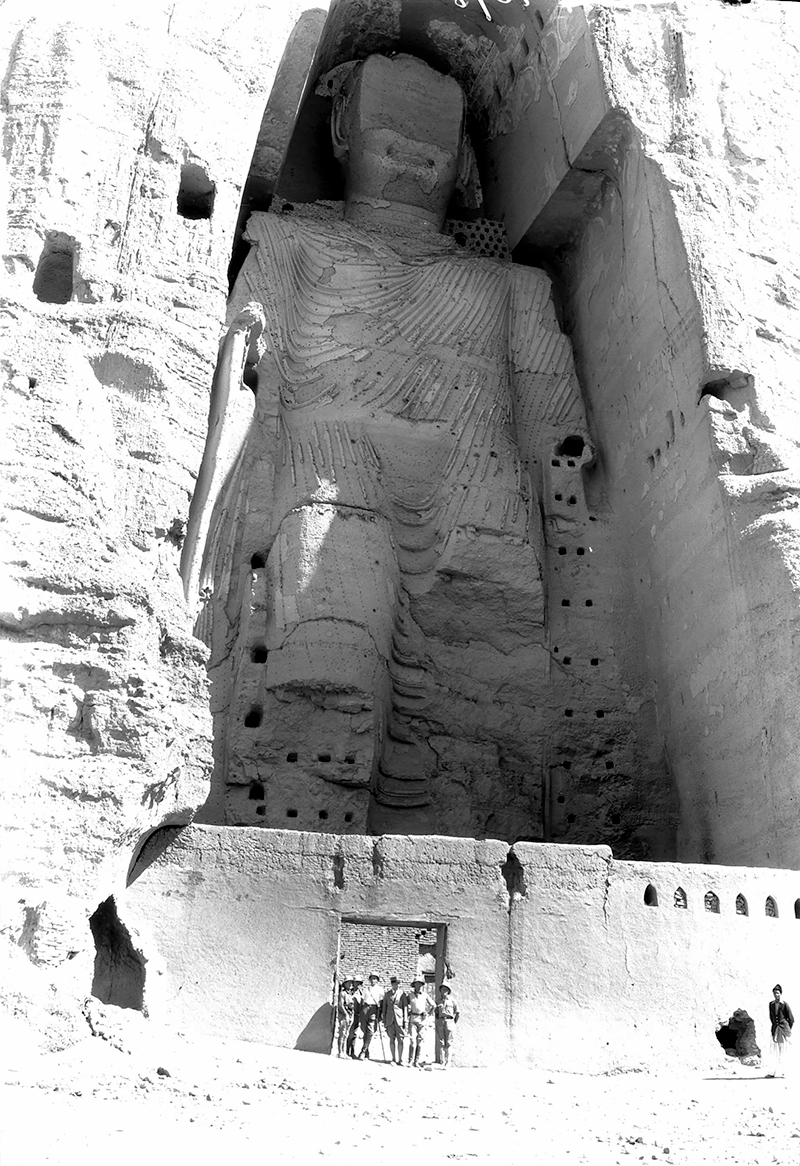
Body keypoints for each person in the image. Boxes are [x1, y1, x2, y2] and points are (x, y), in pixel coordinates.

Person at [186, 53, 588, 835]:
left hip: (477, 491)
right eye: (390, 133)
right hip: (331, 470)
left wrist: (570, 510)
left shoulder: (513, 286)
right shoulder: (294, 244)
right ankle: (293, 848)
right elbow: (242, 372)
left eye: (433, 140)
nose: (411, 155)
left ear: (465, 156)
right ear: (341, 132)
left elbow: (552, 420)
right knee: (326, 674)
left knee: (484, 726)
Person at [767, 983, 794, 1077]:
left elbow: (791, 1019)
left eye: (777, 993)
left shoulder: (785, 1004)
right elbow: (771, 1017)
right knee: (774, 1051)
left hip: (783, 1031)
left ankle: (784, 1072)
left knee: (784, 1051)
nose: (776, 995)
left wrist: (786, 1029)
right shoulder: (771, 1004)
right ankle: (771, 1072)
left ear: (781, 994)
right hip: (775, 1031)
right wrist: (775, 1026)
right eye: (774, 993)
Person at [381, 975, 409, 1065]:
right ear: (391, 984)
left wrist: (405, 1020)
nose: (395, 985)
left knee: (401, 1039)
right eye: (393, 984)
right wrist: (384, 1020)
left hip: (399, 1019)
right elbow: (384, 1008)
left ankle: (400, 1059)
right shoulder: (387, 994)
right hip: (390, 1020)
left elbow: (405, 1008)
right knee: (391, 1039)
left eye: (396, 984)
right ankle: (393, 1058)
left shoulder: (402, 994)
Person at [407, 977, 434, 1067]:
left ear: (422, 985)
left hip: (422, 1020)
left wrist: (428, 1014)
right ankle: (410, 1061)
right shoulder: (410, 995)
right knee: (412, 1041)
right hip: (413, 1019)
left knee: (420, 1041)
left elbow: (433, 1005)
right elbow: (405, 1005)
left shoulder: (425, 995)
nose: (418, 986)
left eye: (420, 984)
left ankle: (416, 1061)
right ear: (414, 985)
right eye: (416, 984)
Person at [359, 972, 384, 1060]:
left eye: (375, 978)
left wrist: (380, 1013)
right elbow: (362, 1001)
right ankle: (367, 1052)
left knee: (370, 1031)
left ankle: (363, 1051)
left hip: (374, 1009)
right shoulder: (366, 989)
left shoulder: (380, 990)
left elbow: (381, 1002)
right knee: (364, 1030)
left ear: (377, 980)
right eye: (372, 978)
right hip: (365, 1009)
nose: (373, 980)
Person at [435, 981, 460, 1068]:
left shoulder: (452, 1001)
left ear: (448, 991)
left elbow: (457, 1013)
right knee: (441, 1042)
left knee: (449, 1043)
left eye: (446, 989)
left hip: (450, 1021)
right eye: (442, 989)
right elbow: (436, 1012)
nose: (444, 991)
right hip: (441, 1021)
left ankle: (448, 1062)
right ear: (440, 990)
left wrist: (453, 1022)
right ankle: (442, 1062)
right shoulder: (438, 1000)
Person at [336, 973, 359, 1058]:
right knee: (342, 1033)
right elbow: (340, 1005)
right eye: (348, 982)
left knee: (346, 1034)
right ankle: (340, 1052)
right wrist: (345, 1014)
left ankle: (344, 1052)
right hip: (344, 1015)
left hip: (350, 1014)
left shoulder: (350, 994)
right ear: (345, 984)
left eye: (351, 982)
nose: (350, 984)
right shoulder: (343, 993)